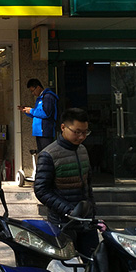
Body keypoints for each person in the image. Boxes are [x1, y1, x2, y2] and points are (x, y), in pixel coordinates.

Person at [33, 107, 98, 256]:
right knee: (66, 265)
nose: (81, 137)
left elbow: (88, 185)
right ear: (63, 127)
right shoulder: (48, 154)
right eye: (77, 132)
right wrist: (68, 210)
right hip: (62, 224)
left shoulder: (82, 150)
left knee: (93, 263)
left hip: (86, 221)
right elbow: (41, 190)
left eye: (85, 132)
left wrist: (92, 210)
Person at [20, 78, 59, 151]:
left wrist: (31, 110)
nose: (33, 93)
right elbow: (37, 114)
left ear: (38, 87)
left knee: (46, 153)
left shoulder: (48, 96)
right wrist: (26, 111)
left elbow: (46, 113)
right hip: (39, 132)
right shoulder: (40, 98)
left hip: (45, 131)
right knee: (41, 153)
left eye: (33, 91)